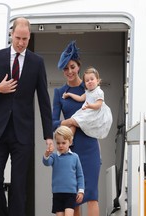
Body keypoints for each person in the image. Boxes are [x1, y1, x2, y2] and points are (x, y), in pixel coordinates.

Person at [0, 17, 54, 216]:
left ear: (29, 37)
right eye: (18, 38)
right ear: (11, 34)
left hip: (22, 135)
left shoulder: (36, 62)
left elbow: (44, 101)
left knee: (18, 187)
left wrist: (48, 136)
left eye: (25, 39)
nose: (21, 43)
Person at [52, 40, 100, 216]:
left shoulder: (90, 89)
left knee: (92, 196)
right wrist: (68, 122)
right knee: (75, 198)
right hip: (71, 150)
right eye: (65, 69)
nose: (69, 71)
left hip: (90, 147)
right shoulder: (59, 93)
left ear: (78, 66)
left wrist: (74, 122)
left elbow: (98, 116)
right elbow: (53, 122)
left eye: (72, 66)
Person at [43, 125, 85, 216]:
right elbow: (47, 163)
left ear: (70, 142)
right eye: (58, 143)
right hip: (57, 194)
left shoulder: (75, 157)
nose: (60, 145)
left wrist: (81, 191)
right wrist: (47, 154)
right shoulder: (54, 157)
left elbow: (80, 175)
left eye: (63, 143)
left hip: (71, 194)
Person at [62, 66, 112, 139]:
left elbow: (98, 105)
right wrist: (69, 94)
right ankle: (70, 139)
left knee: (71, 121)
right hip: (86, 113)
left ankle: (58, 125)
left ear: (97, 81)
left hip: (93, 114)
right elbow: (80, 98)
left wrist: (90, 106)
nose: (90, 81)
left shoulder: (99, 92)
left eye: (92, 79)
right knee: (73, 122)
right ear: (85, 84)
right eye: (87, 80)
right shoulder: (88, 92)